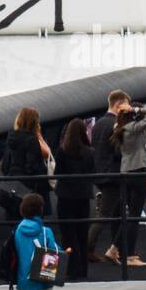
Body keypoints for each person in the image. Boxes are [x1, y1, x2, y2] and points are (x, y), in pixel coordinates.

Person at [107, 102, 146, 267]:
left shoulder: (119, 128)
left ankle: (115, 248)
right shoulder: (134, 128)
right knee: (134, 215)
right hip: (138, 171)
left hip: (125, 172)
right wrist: (137, 109)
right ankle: (128, 256)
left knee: (129, 215)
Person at [88, 89, 131, 262]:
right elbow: (118, 152)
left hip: (100, 173)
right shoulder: (116, 125)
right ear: (118, 104)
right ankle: (88, 248)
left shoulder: (97, 125)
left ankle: (115, 249)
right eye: (127, 105)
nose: (129, 109)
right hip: (113, 175)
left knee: (114, 213)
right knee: (105, 214)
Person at [14, 193, 58, 290]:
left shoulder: (18, 231)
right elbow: (54, 252)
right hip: (42, 279)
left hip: (22, 278)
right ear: (40, 209)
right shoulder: (46, 232)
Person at [55, 118, 94, 280]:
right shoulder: (90, 152)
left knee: (68, 236)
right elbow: (93, 172)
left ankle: (73, 270)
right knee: (82, 235)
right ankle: (83, 270)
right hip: (83, 197)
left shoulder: (62, 152)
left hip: (65, 198)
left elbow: (57, 174)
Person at [1, 106, 52, 214]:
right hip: (28, 189)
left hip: (12, 183)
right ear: (35, 123)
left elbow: (5, 165)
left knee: (14, 220)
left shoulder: (11, 137)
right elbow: (32, 166)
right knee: (32, 218)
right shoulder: (31, 140)